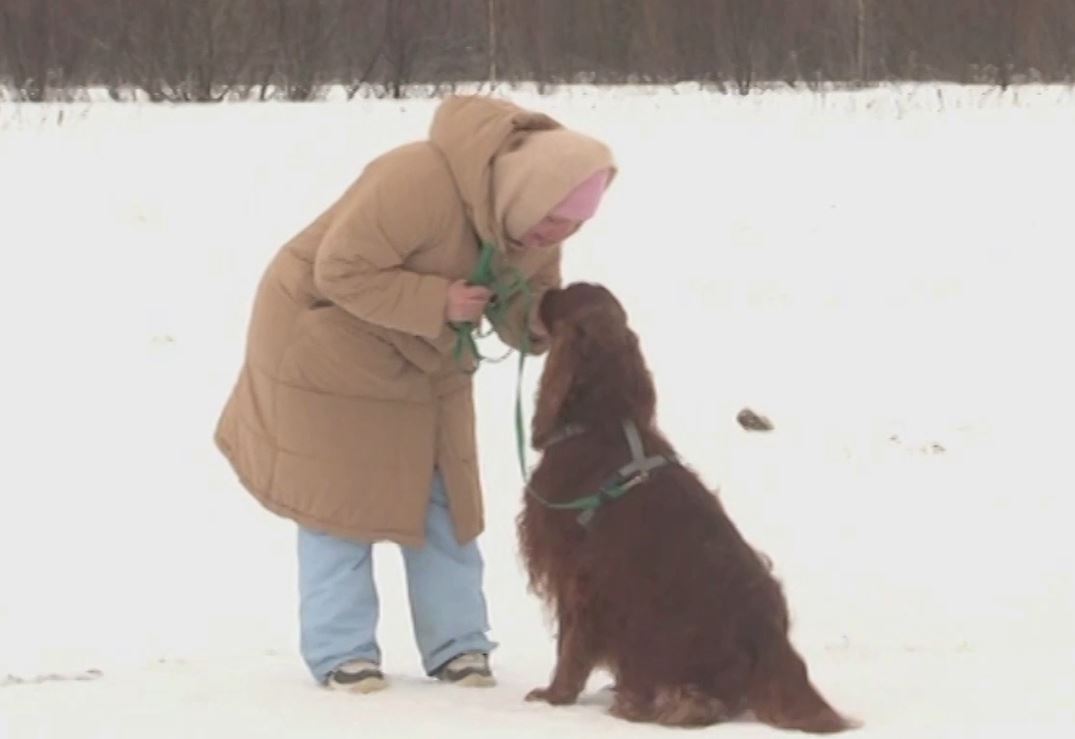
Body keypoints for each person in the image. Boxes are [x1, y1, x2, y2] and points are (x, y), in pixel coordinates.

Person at [213, 95, 615, 693]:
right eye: (556, 222)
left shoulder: (532, 225)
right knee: (340, 504)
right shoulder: (416, 179)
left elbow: (519, 305)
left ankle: (460, 648)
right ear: (526, 189)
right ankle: (341, 653)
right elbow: (340, 269)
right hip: (327, 341)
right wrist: (438, 303)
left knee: (446, 499)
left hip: (427, 355)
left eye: (573, 226)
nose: (557, 235)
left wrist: (543, 323)